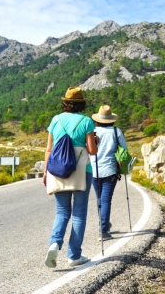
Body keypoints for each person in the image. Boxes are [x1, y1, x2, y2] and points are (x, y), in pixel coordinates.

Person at [42, 87, 98, 268]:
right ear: (81, 104)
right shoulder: (87, 121)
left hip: (57, 170)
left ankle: (54, 243)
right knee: (79, 214)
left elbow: (49, 149)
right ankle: (74, 255)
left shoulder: (55, 120)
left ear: (65, 102)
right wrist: (95, 140)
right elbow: (92, 151)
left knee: (62, 212)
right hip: (82, 171)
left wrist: (45, 172)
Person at [90, 105, 128, 241]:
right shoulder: (116, 131)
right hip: (110, 170)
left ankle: (104, 224)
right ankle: (104, 230)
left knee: (99, 198)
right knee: (106, 199)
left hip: (94, 170)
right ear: (111, 119)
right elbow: (124, 149)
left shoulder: (93, 131)